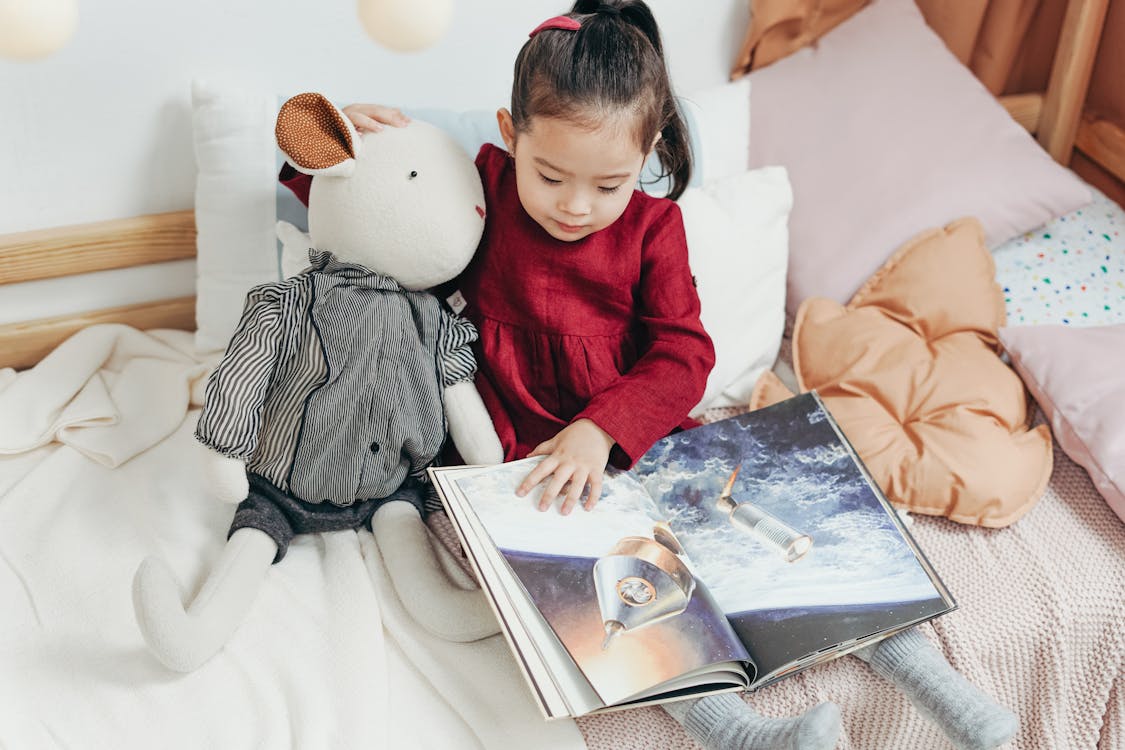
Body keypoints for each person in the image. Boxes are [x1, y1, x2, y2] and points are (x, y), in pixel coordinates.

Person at [285, 3, 1018, 748]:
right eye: (551, 175)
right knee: (623, 594)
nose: (575, 206)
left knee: (794, 542)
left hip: (640, 435)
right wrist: (346, 141)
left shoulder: (651, 229)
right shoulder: (484, 186)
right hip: (528, 461)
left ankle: (953, 701)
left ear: (645, 157)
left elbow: (684, 354)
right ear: (510, 137)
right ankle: (738, 733)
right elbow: (376, 217)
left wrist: (602, 429)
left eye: (608, 185)